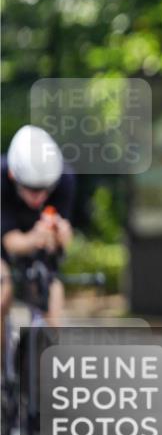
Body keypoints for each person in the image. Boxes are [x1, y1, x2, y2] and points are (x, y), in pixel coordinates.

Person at [1, 125, 75, 330]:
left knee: (53, 300)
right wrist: (35, 237)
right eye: (32, 190)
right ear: (13, 177)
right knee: (1, 292)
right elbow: (10, 243)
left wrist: (62, 236)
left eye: (45, 190)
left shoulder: (63, 179)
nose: (40, 197)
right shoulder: (1, 179)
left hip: (38, 252)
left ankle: (43, 356)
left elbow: (63, 244)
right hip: (5, 244)